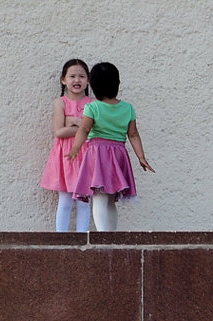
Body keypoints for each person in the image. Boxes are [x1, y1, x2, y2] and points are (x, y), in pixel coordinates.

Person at [67, 61, 154, 232]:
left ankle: (101, 235)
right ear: (117, 84)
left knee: (99, 196)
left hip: (98, 154)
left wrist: (76, 147)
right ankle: (112, 234)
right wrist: (141, 157)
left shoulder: (92, 107)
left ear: (92, 85)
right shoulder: (128, 108)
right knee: (110, 199)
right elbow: (133, 134)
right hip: (118, 153)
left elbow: (84, 129)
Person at [39, 59, 92, 233]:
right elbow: (59, 132)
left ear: (88, 80)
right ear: (63, 80)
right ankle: (61, 239)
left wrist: (75, 122)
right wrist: (82, 126)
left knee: (84, 200)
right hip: (66, 156)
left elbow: (93, 131)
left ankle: (83, 239)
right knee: (66, 200)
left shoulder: (92, 104)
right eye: (72, 76)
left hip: (86, 155)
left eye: (82, 76)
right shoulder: (60, 103)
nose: (77, 80)